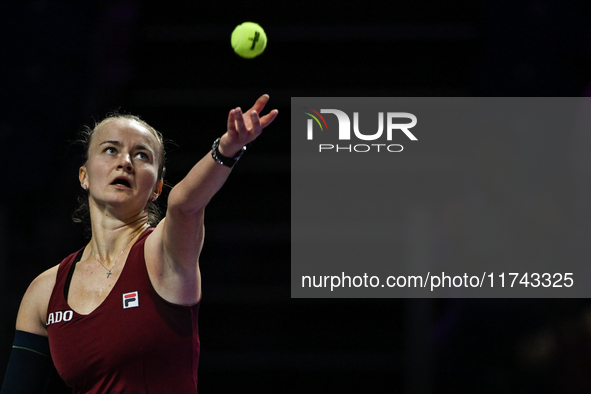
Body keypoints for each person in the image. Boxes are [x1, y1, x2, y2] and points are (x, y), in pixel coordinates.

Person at [0, 94, 278, 393]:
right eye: (110, 150)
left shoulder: (166, 253)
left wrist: (227, 149)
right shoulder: (44, 291)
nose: (125, 162)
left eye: (142, 155)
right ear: (84, 176)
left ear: (157, 188)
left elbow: (185, 205)